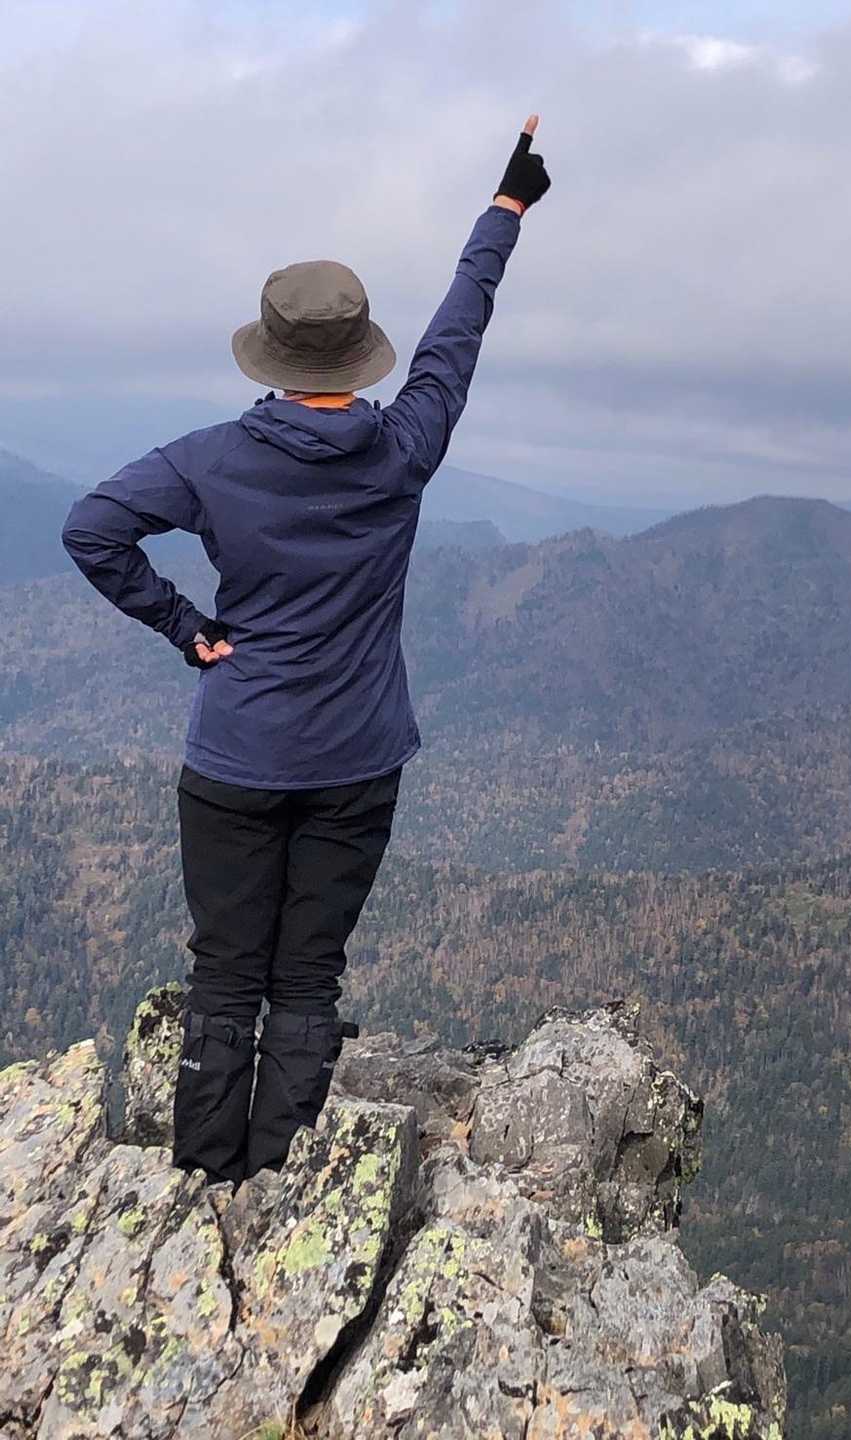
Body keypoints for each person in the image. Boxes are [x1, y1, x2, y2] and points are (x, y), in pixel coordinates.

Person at [61, 116, 552, 1187]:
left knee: (225, 978)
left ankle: (204, 1182)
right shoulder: (403, 448)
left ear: (273, 353)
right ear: (359, 351)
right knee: (307, 980)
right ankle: (281, 1189)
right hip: (357, 760)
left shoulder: (210, 460)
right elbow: (456, 335)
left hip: (236, 755)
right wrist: (505, 209)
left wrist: (187, 627)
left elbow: (91, 529)